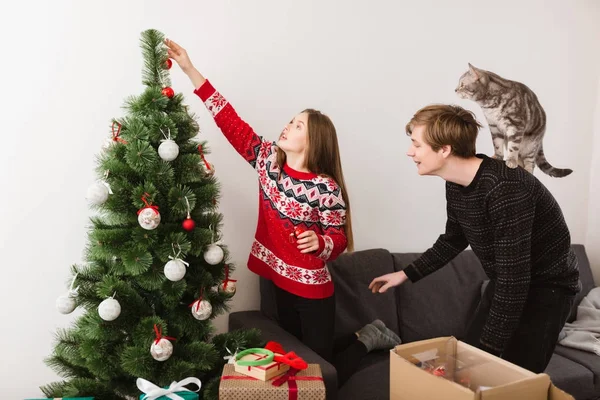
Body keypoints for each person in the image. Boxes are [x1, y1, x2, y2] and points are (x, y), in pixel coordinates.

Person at [165, 38, 401, 385]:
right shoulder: (267, 161)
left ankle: (368, 339)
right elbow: (228, 119)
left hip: (311, 288)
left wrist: (318, 242)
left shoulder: (326, 187)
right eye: (290, 121)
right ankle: (365, 337)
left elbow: (338, 239)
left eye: (298, 125)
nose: (287, 127)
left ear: (314, 141)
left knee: (318, 373)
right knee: (292, 362)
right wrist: (188, 69)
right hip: (276, 277)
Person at [369, 104, 580, 373]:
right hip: (507, 283)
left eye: (417, 145)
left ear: (444, 149)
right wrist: (405, 274)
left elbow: (515, 280)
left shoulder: (505, 188)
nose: (410, 152)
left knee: (512, 381)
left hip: (547, 290)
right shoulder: (456, 183)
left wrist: (486, 356)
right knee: (466, 370)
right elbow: (453, 239)